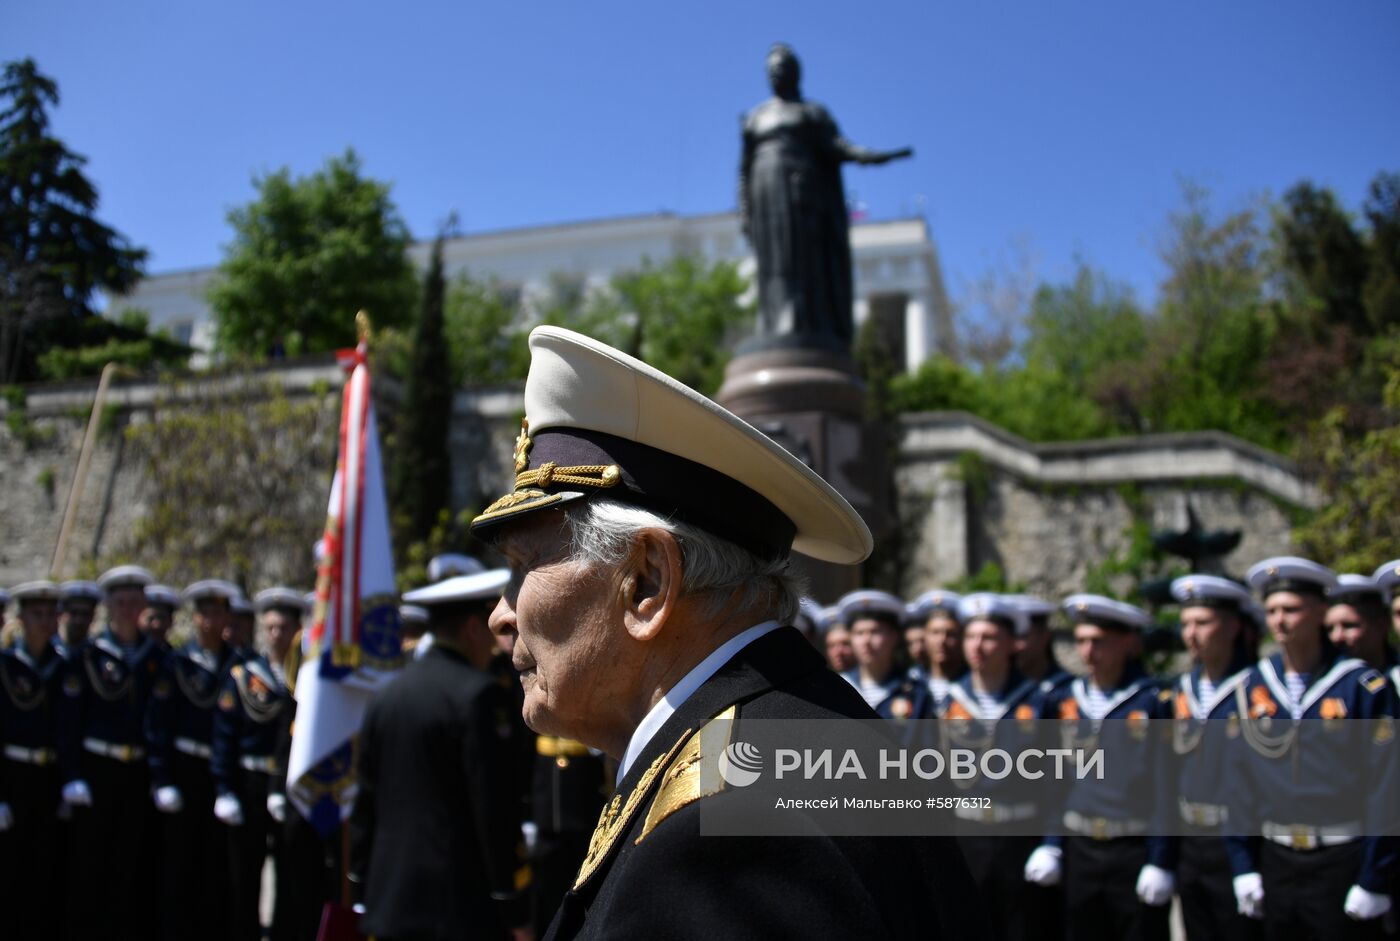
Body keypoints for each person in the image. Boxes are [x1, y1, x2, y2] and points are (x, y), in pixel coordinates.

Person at [469, 325, 980, 939]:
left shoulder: (723, 832)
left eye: (524, 567)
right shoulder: (786, 739)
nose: (501, 614)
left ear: (647, 583)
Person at [350, 567, 532, 941]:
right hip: (456, 909)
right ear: (470, 629)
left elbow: (364, 801)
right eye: (489, 629)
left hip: (388, 902)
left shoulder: (387, 696)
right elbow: (492, 809)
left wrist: (358, 880)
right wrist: (511, 897)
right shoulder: (480, 696)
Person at [1225, 557, 1397, 939]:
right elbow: (1239, 785)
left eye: (1291, 609)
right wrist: (1243, 864)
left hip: (1340, 858)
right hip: (1277, 858)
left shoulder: (1361, 686)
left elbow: (1386, 788)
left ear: (1321, 611)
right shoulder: (1253, 686)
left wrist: (1375, 876)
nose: (1280, 622)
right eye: (1272, 611)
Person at [1026, 594, 1175, 941]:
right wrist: (1051, 842)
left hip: (1132, 848)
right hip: (1081, 849)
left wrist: (1161, 858)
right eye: (1080, 641)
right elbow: (1054, 781)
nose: (1088, 652)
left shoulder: (1151, 701)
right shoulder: (1064, 700)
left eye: (1098, 641)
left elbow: (1166, 785)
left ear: (1127, 642)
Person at [739, 43, 910, 345]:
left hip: (801, 194)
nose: (777, 73)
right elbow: (744, 170)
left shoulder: (812, 112)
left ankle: (804, 324)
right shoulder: (755, 118)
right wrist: (745, 212)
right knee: (773, 265)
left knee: (804, 263)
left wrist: (869, 156)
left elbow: (839, 147)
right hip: (766, 195)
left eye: (783, 68)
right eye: (772, 69)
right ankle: (774, 325)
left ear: (795, 73)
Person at [941, 593, 1056, 941]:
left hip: (1019, 836)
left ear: (1012, 644)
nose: (978, 646)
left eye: (989, 637)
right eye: (972, 636)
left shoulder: (1038, 702)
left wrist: (1052, 843)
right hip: (966, 835)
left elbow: (1056, 781)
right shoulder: (948, 701)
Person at [57, 564, 163, 940]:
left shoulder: (156, 658)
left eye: (135, 601)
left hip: (134, 771)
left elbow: (158, 722)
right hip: (96, 768)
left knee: (127, 863)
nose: (128, 608)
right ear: (109, 607)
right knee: (88, 863)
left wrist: (160, 776)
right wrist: (71, 775)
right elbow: (70, 722)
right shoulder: (88, 657)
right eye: (121, 601)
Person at [1169, 575, 1263, 941]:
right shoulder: (1181, 689)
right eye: (1185, 624)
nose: (1191, 634)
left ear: (1233, 626)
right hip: (1191, 840)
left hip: (1239, 839)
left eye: (1202, 623)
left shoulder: (1255, 687)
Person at [148, 578, 241, 941]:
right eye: (205, 613)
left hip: (217, 774)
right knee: (177, 863)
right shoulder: (178, 663)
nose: (211, 620)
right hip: (182, 769)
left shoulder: (236, 664)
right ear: (195, 618)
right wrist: (163, 778)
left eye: (218, 612)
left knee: (213, 864)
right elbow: (159, 725)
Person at [213, 586, 300, 941]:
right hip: (250, 782)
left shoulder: (304, 678)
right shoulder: (244, 675)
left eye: (283, 627)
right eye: (271, 627)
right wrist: (224, 789)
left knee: (289, 872)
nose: (276, 634)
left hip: (287, 786)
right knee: (244, 873)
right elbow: (225, 736)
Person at [0, 581, 65, 941]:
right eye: (36, 614)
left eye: (49, 614)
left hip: (49, 776)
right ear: (21, 618)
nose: (44, 621)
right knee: (10, 871)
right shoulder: (7, 666)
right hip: (13, 775)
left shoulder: (61, 666)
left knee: (44, 868)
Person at [838, 589, 934, 735]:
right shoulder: (839, 687)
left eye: (875, 632)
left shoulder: (915, 692)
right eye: (859, 633)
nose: (866, 641)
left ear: (894, 637)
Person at [908, 589, 966, 712]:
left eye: (950, 634)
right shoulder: (910, 687)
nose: (942, 640)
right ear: (924, 636)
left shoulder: (971, 687)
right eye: (935, 632)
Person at [1326, 575, 1395, 673]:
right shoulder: (1322, 680)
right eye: (1330, 629)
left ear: (1382, 625)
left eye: (1349, 626)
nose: (1337, 637)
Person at [55, 579, 100, 658]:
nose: (79, 620)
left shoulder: (98, 657)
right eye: (74, 613)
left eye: (85, 614)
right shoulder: (49, 653)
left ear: (93, 617)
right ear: (61, 615)